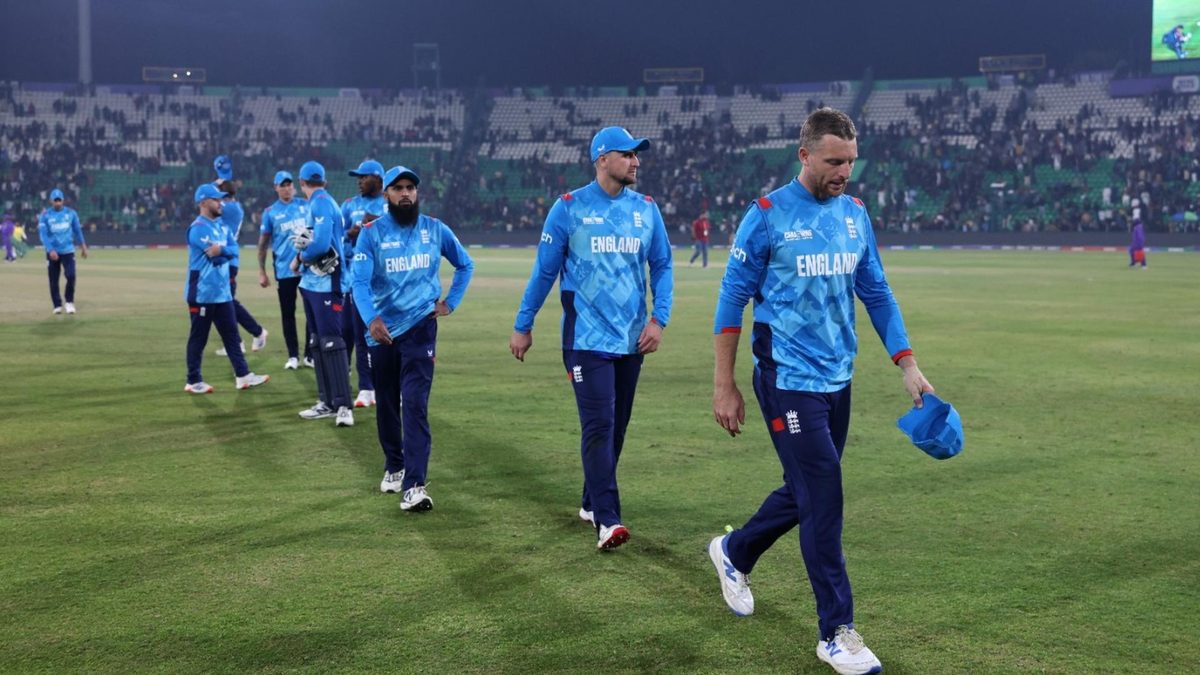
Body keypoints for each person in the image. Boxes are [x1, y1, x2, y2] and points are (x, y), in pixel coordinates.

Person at [708, 108, 934, 675]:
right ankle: (836, 633)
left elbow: (877, 293)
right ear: (804, 155)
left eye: (851, 162)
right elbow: (730, 303)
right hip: (786, 379)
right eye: (835, 161)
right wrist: (724, 384)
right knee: (825, 497)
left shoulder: (855, 216)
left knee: (806, 487)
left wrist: (907, 364)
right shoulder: (765, 217)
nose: (845, 172)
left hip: (839, 378)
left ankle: (734, 551)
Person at [509, 126, 674, 551]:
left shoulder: (646, 209)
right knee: (599, 425)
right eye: (628, 154)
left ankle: (589, 502)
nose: (636, 161)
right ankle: (608, 520)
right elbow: (545, 271)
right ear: (602, 159)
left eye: (638, 155)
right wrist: (523, 324)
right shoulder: (569, 208)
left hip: (632, 338)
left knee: (616, 428)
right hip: (585, 339)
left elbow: (663, 266)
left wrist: (659, 320)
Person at [353, 165, 474, 508]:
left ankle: (415, 484)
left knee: (416, 405)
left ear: (417, 193)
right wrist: (371, 318)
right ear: (387, 195)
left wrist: (451, 302)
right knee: (387, 403)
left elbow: (465, 264)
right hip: (383, 332)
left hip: (422, 326)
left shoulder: (435, 229)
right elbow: (359, 282)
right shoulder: (371, 234)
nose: (406, 193)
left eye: (411, 188)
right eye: (398, 188)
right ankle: (394, 465)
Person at [183, 184, 270, 394]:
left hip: (222, 293)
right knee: (199, 338)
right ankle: (193, 381)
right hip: (202, 294)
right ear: (203, 203)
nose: (221, 203)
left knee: (231, 335)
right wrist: (223, 252)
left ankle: (243, 376)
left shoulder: (222, 226)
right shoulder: (198, 228)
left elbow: (230, 251)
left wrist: (220, 249)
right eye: (216, 200)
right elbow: (213, 256)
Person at [294, 161, 354, 427]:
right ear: (324, 180)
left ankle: (343, 406)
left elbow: (319, 243)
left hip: (326, 283)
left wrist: (302, 257)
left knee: (331, 342)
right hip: (312, 284)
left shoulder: (320, 203)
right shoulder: (322, 201)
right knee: (318, 342)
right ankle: (327, 402)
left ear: (301, 182)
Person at [341, 159, 387, 408]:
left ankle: (389, 387)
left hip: (385, 285)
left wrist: (374, 227)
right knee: (360, 336)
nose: (359, 181)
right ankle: (366, 388)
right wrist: (351, 234)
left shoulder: (389, 204)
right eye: (357, 177)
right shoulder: (349, 206)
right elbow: (337, 237)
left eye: (363, 177)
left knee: (388, 336)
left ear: (378, 179)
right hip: (356, 282)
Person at [258, 170, 314, 370]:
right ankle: (293, 356)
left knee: (311, 313)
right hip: (284, 271)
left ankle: (309, 354)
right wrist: (262, 271)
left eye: (289, 184)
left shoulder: (306, 206)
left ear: (294, 186)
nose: (287, 188)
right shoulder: (270, 212)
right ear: (276, 188)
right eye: (282, 185)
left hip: (308, 268)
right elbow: (263, 244)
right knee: (288, 314)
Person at [213, 173, 269, 357]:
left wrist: (215, 185)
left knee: (227, 303)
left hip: (227, 260)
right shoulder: (234, 207)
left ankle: (257, 332)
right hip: (228, 260)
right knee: (224, 303)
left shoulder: (229, 208)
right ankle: (238, 342)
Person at [37, 189, 88, 314]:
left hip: (68, 251)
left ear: (63, 200)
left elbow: (77, 230)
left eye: (59, 200)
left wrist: (83, 245)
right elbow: (43, 235)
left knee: (71, 276)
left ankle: (69, 302)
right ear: (51, 201)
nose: (58, 203)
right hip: (53, 252)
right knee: (54, 280)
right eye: (55, 201)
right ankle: (57, 305)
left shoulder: (71, 213)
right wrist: (50, 250)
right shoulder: (45, 216)